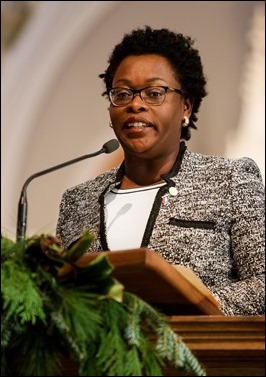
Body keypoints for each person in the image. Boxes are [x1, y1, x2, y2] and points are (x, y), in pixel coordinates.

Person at [56, 26, 265, 316]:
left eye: (154, 93)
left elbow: (262, 284)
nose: (136, 104)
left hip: (199, 356)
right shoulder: (77, 200)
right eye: (122, 93)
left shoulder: (230, 180)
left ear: (186, 108)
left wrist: (190, 301)